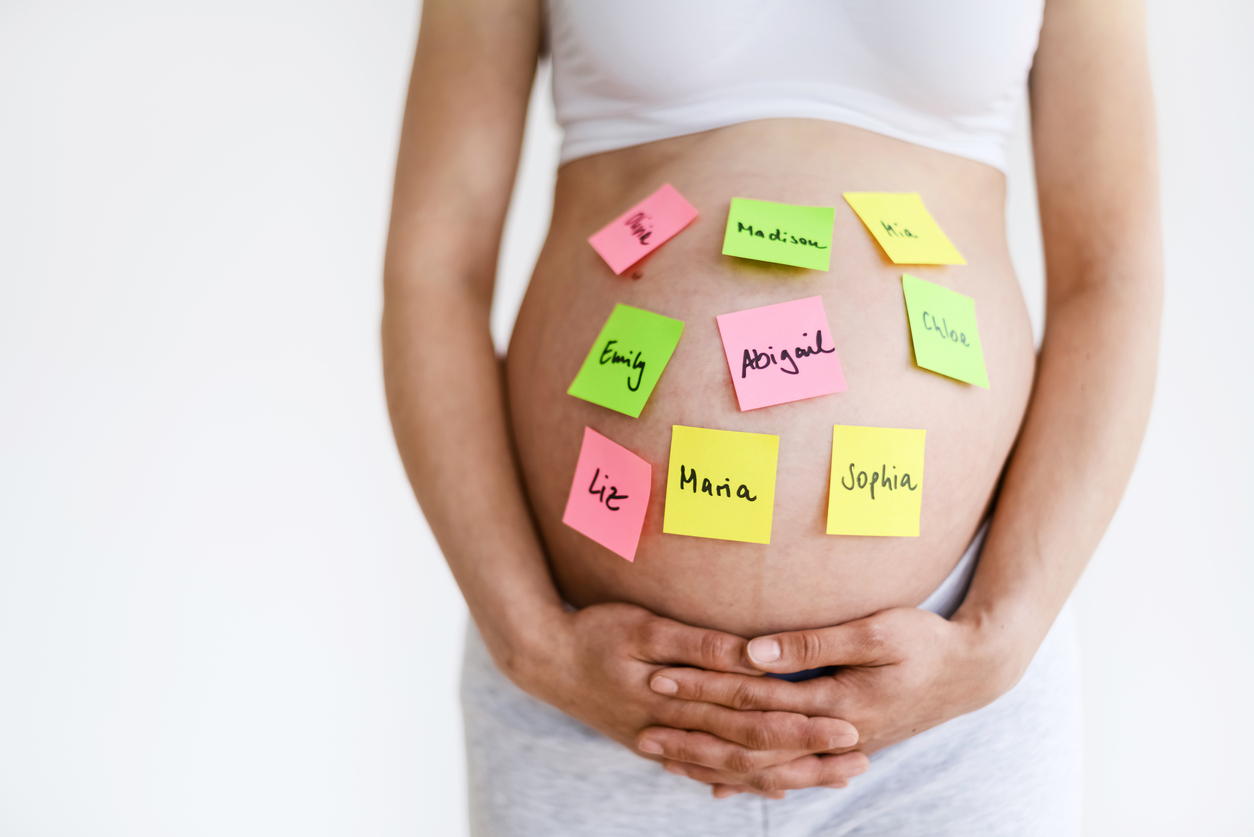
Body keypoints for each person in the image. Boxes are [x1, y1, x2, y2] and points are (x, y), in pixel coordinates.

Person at [382, 0, 1162, 833]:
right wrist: (528, 638)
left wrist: (998, 637)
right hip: (588, 683)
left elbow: (1111, 277)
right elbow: (434, 273)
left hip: (949, 700)